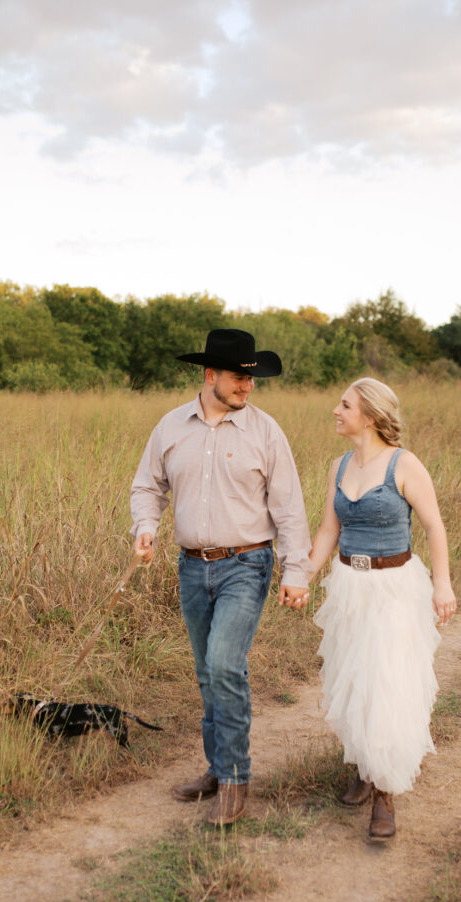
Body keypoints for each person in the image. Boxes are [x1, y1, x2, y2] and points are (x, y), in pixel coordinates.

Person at [130, 328, 312, 826]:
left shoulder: (266, 432)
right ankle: (216, 768)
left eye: (251, 379)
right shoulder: (170, 428)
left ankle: (234, 778)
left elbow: (289, 508)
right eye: (238, 377)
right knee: (208, 671)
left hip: (247, 563)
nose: (247, 387)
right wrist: (146, 526)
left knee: (225, 663)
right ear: (210, 376)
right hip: (191, 566)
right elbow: (148, 486)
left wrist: (297, 571)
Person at [304, 377, 456, 841]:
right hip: (350, 585)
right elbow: (329, 531)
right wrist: (302, 577)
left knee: (387, 680)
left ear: (368, 417)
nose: (336, 410)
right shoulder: (339, 466)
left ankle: (385, 795)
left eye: (344, 405)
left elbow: (434, 527)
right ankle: (365, 768)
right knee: (353, 678)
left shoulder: (404, 465)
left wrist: (443, 585)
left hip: (395, 588)